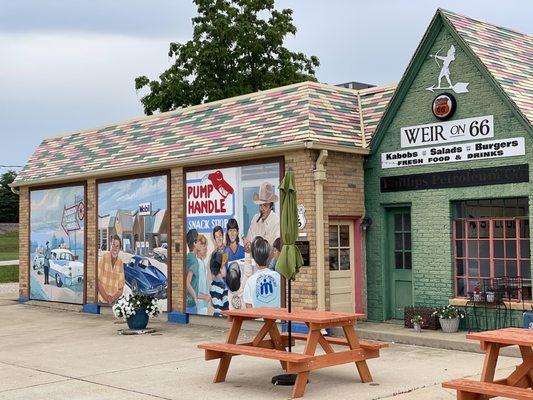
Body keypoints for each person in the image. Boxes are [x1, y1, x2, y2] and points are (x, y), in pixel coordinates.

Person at [243, 237, 281, 308]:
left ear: (254, 257)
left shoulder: (250, 281)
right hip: (278, 318)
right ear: (268, 254)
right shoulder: (278, 277)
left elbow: (249, 309)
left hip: (258, 319)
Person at [243, 182, 280, 252]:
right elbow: (249, 239)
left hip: (269, 262)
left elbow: (274, 248)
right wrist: (247, 246)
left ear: (271, 206)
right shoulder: (255, 218)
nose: (262, 209)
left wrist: (254, 247)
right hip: (254, 261)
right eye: (260, 205)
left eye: (265, 205)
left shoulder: (276, 221)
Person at [98, 234, 125, 305]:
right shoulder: (104, 258)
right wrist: (107, 298)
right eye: (113, 245)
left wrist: (112, 299)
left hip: (114, 303)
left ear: (120, 249)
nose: (115, 248)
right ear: (110, 246)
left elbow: (120, 289)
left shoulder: (120, 263)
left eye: (117, 246)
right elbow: (98, 282)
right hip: (101, 301)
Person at [209, 250, 229, 316]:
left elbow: (212, 303)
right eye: (225, 266)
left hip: (216, 314)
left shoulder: (212, 285)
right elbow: (227, 307)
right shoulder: (224, 287)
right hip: (223, 317)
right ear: (221, 268)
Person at [185, 229, 200, 314]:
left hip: (186, 302)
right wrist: (195, 299)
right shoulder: (194, 261)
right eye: (198, 241)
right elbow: (188, 283)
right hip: (191, 304)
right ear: (194, 243)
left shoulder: (187, 258)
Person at [196, 234, 211, 314]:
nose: (205, 248)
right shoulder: (197, 264)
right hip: (200, 307)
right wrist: (205, 297)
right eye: (202, 245)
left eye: (205, 245)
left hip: (204, 306)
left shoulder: (202, 263)